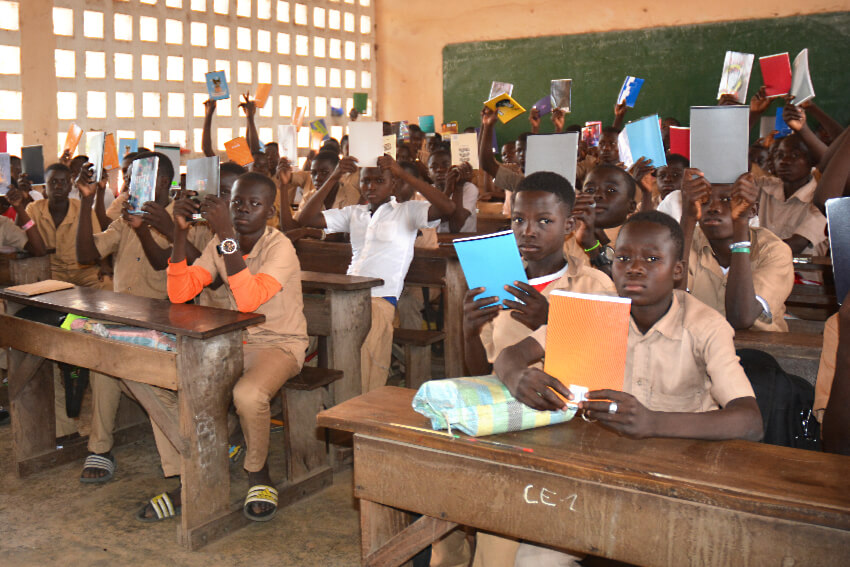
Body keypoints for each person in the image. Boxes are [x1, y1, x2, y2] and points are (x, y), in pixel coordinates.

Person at [492, 211, 763, 565]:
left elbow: (749, 421)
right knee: (533, 560)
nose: (635, 268)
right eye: (623, 258)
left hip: (677, 488)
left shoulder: (705, 326)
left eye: (652, 259)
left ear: (677, 271)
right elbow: (510, 357)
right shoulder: (591, 314)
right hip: (596, 479)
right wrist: (517, 376)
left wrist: (653, 423)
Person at [135, 172, 308, 522]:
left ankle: (257, 471)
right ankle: (192, 475)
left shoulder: (280, 247)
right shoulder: (219, 244)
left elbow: (249, 300)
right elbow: (180, 293)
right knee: (172, 383)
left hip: (280, 344)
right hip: (232, 342)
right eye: (238, 202)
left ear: (270, 212)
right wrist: (180, 235)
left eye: (254, 204)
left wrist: (227, 235)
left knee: (248, 395)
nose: (243, 209)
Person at [463, 171, 615, 567]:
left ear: (568, 226)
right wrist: (466, 329)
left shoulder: (594, 285)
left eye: (543, 221)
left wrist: (551, 320)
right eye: (518, 220)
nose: (527, 231)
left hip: (572, 433)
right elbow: (480, 372)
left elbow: (600, 375)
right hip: (507, 426)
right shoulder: (499, 283)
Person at [74, 151, 204, 483]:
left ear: (160, 180)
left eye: (135, 176)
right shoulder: (127, 216)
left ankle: (181, 467)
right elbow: (86, 255)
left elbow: (166, 263)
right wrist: (88, 203)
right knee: (103, 359)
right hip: (126, 319)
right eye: (129, 177)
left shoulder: (183, 215)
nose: (129, 183)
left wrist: (144, 228)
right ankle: (100, 449)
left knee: (117, 360)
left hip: (167, 323)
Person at [297, 154, 456, 393]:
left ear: (392, 185)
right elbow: (305, 218)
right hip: (345, 295)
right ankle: (330, 400)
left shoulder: (407, 213)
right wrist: (335, 176)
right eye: (365, 181)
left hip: (380, 298)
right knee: (312, 331)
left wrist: (402, 173)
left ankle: (360, 404)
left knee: (366, 357)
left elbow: (448, 208)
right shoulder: (354, 213)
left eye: (379, 180)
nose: (370, 186)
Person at [679, 172, 793, 331]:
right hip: (698, 348)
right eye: (704, 201)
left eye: (727, 200)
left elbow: (741, 318)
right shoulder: (688, 241)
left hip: (759, 351)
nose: (714, 208)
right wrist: (688, 218)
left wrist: (741, 222)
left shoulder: (773, 250)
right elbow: (671, 306)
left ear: (752, 210)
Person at [572, 164, 637, 277]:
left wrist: (592, 246)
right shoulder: (567, 234)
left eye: (611, 190)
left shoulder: (638, 238)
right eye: (590, 190)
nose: (597, 195)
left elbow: (621, 286)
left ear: (631, 206)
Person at [427, 149, 477, 233]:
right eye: (434, 167)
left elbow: (455, 227)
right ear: (428, 173)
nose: (439, 169)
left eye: (445, 165)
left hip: (462, 243)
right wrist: (448, 190)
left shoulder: (468, 188)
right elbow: (429, 220)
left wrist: (458, 187)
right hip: (435, 243)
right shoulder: (426, 191)